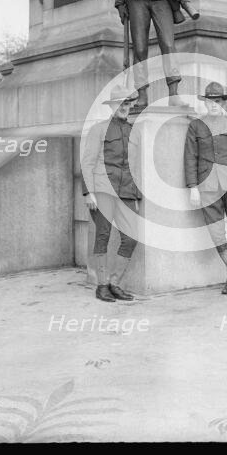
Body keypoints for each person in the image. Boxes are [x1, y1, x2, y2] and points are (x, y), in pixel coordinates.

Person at [184, 82, 227, 295]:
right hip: (208, 187)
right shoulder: (196, 126)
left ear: (223, 102)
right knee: (217, 235)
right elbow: (190, 158)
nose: (214, 105)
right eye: (210, 101)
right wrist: (193, 187)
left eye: (218, 101)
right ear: (205, 102)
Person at [81, 85, 141, 302]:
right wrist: (88, 192)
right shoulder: (98, 129)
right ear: (113, 106)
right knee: (103, 235)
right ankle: (102, 285)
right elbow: (87, 162)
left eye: (127, 103)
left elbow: (135, 166)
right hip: (102, 189)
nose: (124, 107)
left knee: (131, 237)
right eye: (120, 103)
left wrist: (137, 196)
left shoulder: (133, 130)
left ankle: (115, 283)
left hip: (126, 191)